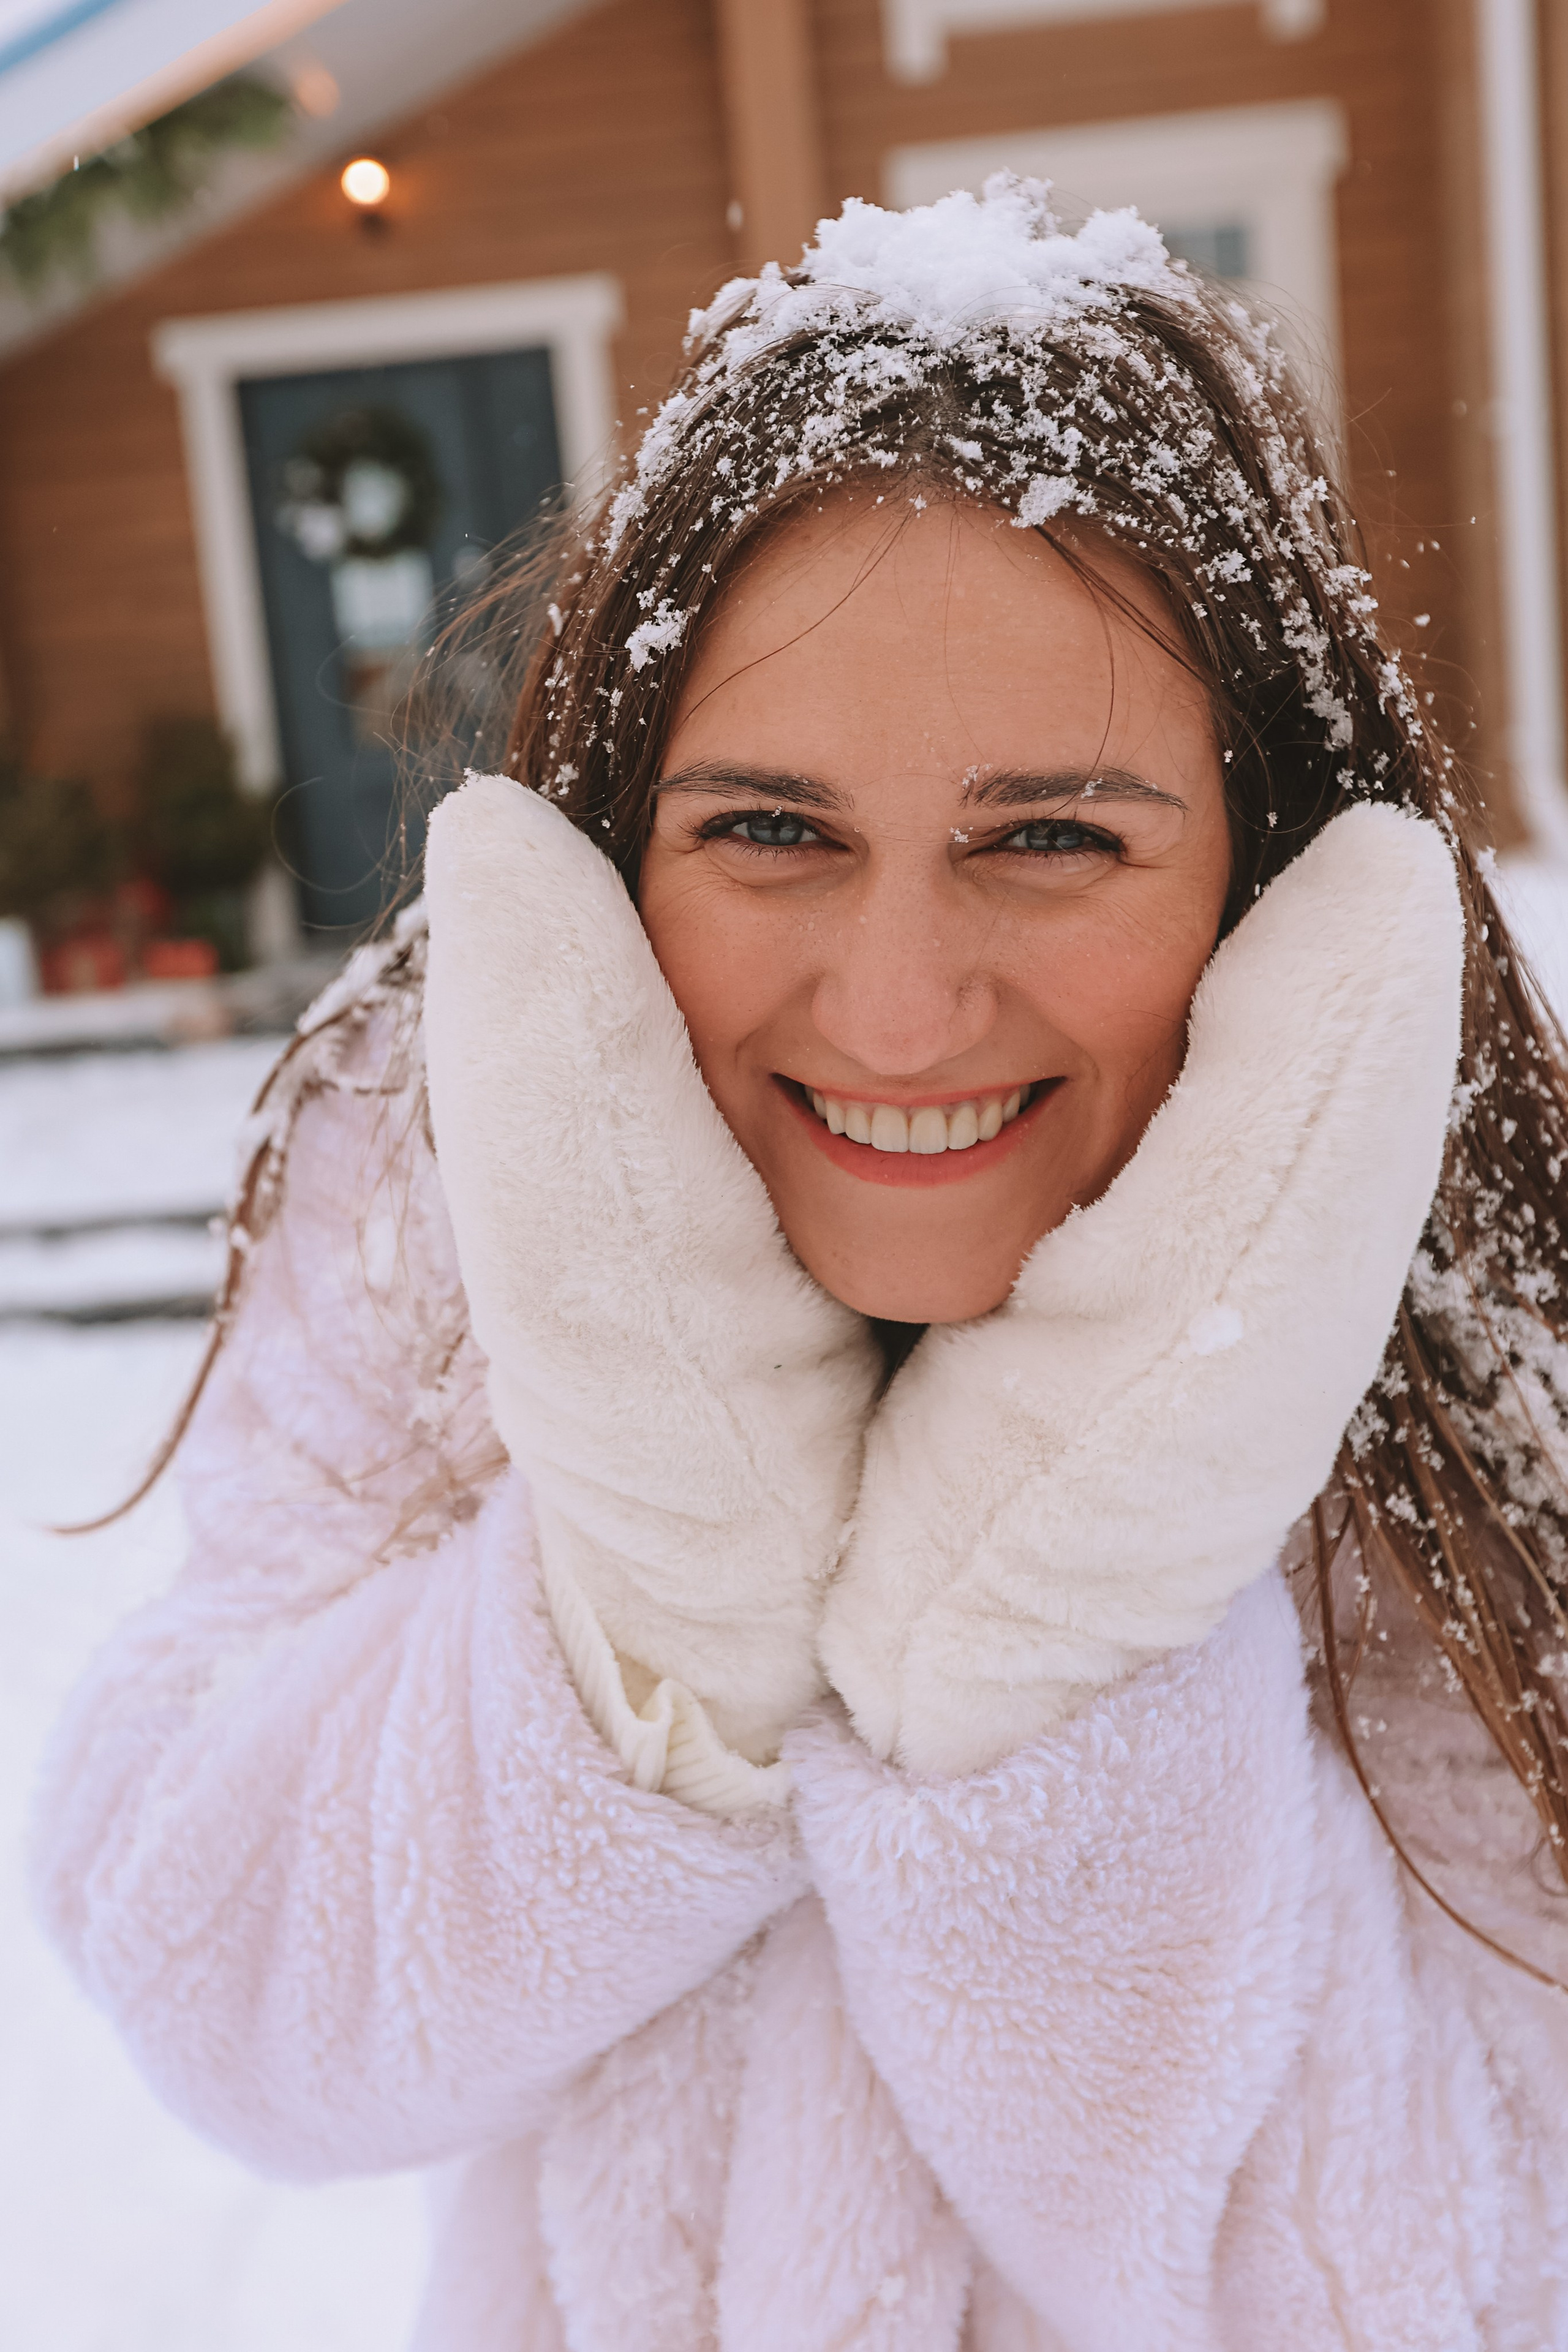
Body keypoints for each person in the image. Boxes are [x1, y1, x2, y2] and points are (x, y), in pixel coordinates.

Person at [32, 179, 1568, 2350]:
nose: (902, 1010)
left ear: (1269, 874)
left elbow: (1467, 2277)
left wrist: (1074, 1585)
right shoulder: (430, 1258)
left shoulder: (1477, 1420)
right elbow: (219, 1981)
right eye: (771, 830)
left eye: (1051, 837)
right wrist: (647, 1613)